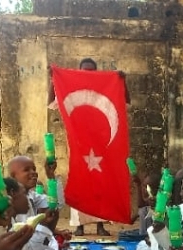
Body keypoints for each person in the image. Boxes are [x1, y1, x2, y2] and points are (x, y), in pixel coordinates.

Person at [48, 57, 130, 237]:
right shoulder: (72, 89)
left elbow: (124, 101)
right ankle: (79, 226)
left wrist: (122, 81)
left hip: (100, 145)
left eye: (91, 71)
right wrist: (53, 79)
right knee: (81, 182)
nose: (88, 74)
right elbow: (52, 103)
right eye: (85, 71)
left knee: (100, 184)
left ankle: (100, 225)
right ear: (79, 71)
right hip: (79, 146)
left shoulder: (103, 89)